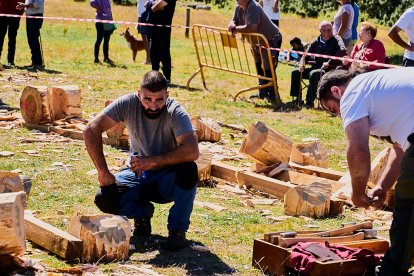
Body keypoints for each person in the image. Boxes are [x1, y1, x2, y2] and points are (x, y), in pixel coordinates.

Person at [83, 71, 199, 251]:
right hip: (137, 173)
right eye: (147, 99)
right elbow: (90, 130)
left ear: (167, 96)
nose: (153, 106)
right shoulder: (128, 103)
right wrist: (103, 172)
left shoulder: (176, 111)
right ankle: (143, 213)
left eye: (159, 100)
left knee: (189, 169)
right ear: (139, 94)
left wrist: (152, 162)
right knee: (105, 197)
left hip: (167, 180)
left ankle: (177, 229)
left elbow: (192, 150)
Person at [317, 67, 414, 276]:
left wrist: (358, 193)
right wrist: (382, 186)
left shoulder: (352, 93)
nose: (340, 115)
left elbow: (358, 150)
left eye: (333, 110)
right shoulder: (379, 87)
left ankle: (392, 272)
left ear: (336, 91)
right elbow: (401, 149)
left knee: (408, 207)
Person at [228, 0, 282, 102]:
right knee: (258, 64)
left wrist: (235, 29)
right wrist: (231, 25)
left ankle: (273, 95)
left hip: (270, 40)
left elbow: (252, 27)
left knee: (268, 66)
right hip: (256, 42)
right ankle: (262, 91)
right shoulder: (238, 6)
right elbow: (234, 20)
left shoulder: (253, 6)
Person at [289, 21, 346, 108]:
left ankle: (309, 102)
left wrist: (329, 62)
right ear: (320, 31)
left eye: (329, 30)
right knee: (295, 72)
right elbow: (305, 55)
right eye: (324, 30)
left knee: (314, 74)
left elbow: (343, 50)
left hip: (329, 70)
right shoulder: (316, 41)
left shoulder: (337, 39)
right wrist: (302, 64)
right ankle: (297, 99)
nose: (327, 32)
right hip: (316, 67)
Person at [149, 0, 176, 83]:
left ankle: (167, 77)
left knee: (164, 53)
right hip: (155, 28)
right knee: (153, 52)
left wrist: (152, 4)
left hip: (163, 30)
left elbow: (154, 8)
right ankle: (154, 76)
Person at [16, 0, 44, 69]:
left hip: (35, 17)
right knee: (31, 40)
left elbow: (38, 4)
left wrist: (25, 5)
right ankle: (35, 62)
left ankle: (38, 63)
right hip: (31, 17)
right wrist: (24, 5)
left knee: (33, 40)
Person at [0, 0, 23, 67]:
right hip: (2, 16)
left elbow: (23, 2)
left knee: (12, 39)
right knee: (0, 38)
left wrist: (19, 15)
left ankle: (11, 61)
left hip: (15, 16)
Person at [90, 0, 114, 64]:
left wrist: (111, 18)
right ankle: (96, 59)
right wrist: (97, 8)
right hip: (100, 21)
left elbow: (109, 9)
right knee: (99, 40)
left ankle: (106, 58)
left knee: (106, 40)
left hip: (108, 21)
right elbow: (91, 3)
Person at [136, 0, 151, 64]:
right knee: (146, 39)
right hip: (142, 14)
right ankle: (149, 58)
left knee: (146, 39)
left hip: (144, 14)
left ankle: (149, 59)